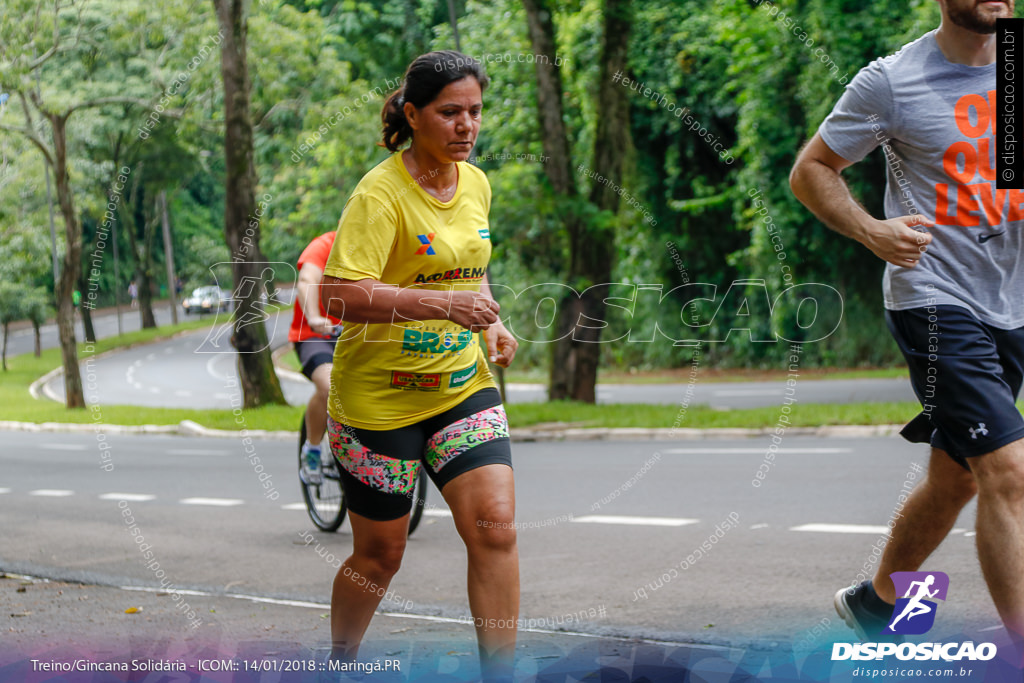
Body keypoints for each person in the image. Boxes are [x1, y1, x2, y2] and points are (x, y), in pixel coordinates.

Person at [790, 0, 1023, 647]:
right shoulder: (894, 81)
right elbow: (811, 170)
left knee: (956, 476)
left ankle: (881, 603)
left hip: (1010, 298)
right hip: (934, 297)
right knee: (1008, 471)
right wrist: (872, 230)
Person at [319, 51, 519, 681]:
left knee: (496, 528)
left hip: (460, 385)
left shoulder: (477, 183)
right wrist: (441, 303)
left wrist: (491, 315)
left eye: (476, 112)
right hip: (378, 399)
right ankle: (341, 662)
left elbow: (469, 262)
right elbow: (338, 295)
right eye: (450, 112)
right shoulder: (379, 196)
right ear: (413, 114)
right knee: (380, 555)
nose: (467, 125)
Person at [288, 231, 343, 484]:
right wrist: (312, 316)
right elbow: (307, 279)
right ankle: (312, 449)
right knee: (330, 386)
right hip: (315, 334)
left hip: (360, 335)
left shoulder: (385, 246)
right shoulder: (324, 244)